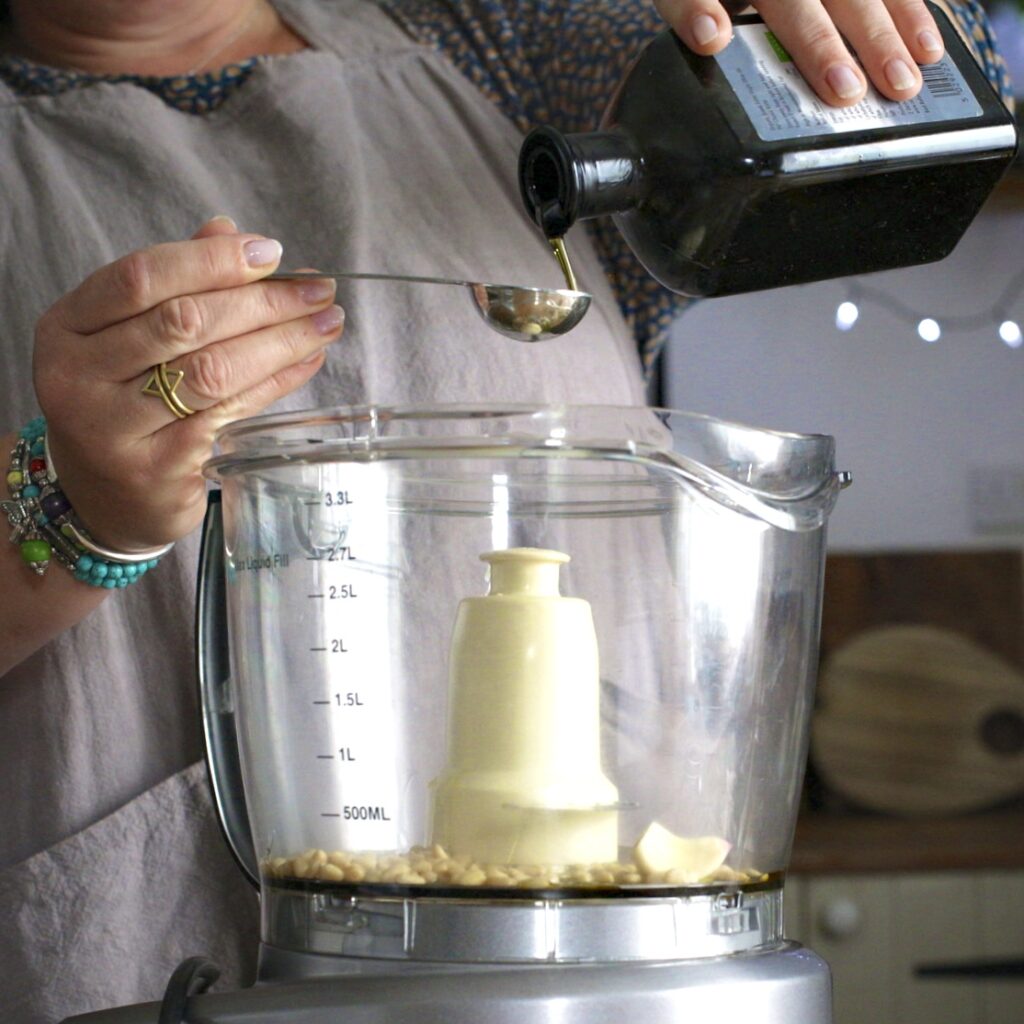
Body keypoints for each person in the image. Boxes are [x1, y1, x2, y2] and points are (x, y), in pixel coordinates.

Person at [0, 1, 1011, 1020]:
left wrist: (815, 43)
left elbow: (933, 108)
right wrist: (69, 511)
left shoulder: (497, 30)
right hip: (135, 963)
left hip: (608, 971)